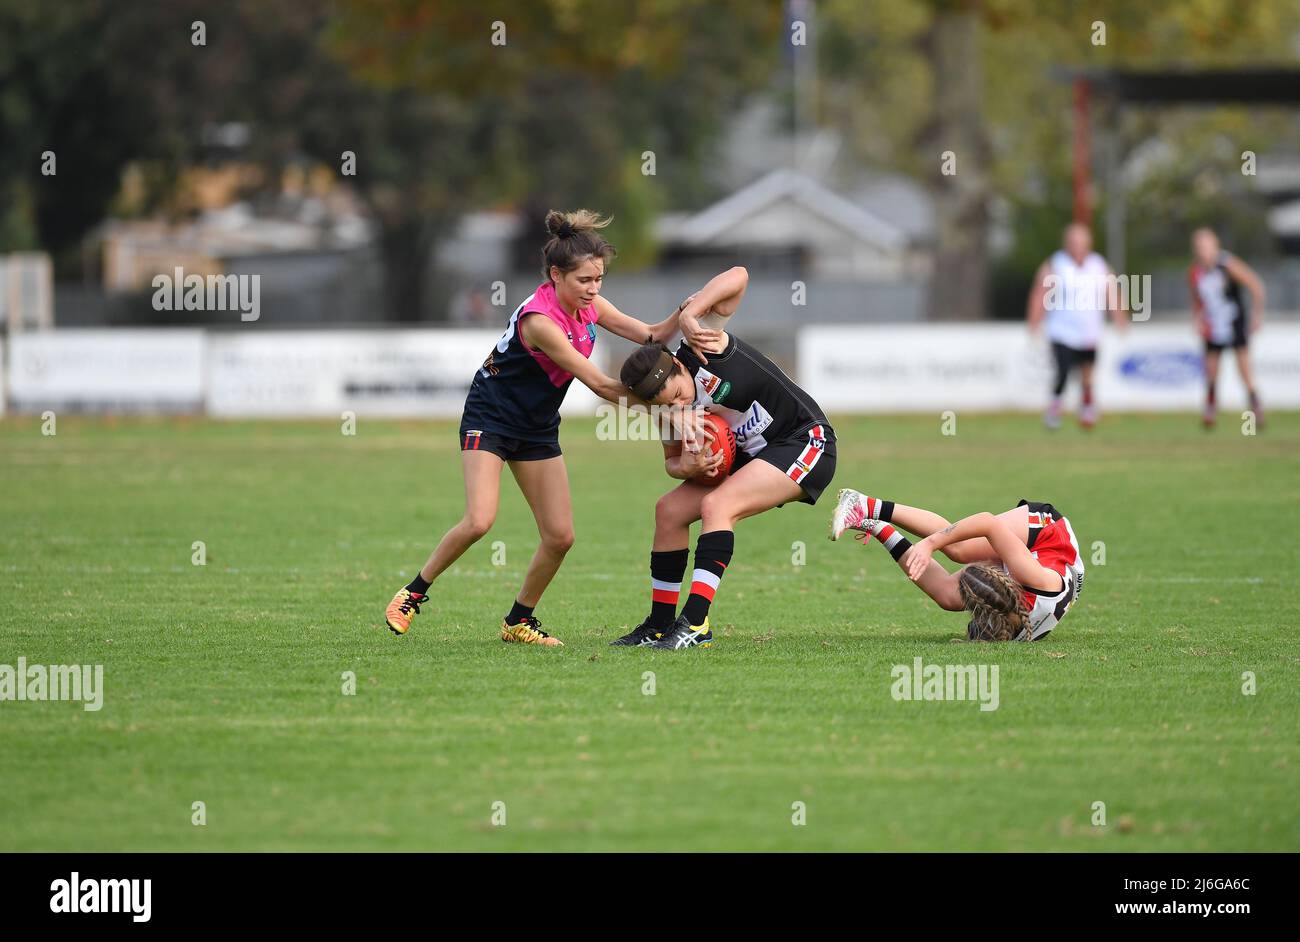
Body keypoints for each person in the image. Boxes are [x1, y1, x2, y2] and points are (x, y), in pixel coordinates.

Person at [383, 210, 720, 645]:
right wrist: (664, 411)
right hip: (491, 417)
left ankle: (519, 620)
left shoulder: (590, 306)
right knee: (480, 519)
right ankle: (412, 593)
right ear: (556, 275)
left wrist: (687, 310)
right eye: (584, 281)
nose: (594, 289)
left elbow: (653, 335)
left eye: (598, 279)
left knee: (560, 536)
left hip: (538, 427)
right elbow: (599, 383)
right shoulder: (540, 322)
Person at [610, 266, 836, 650]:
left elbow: (740, 276)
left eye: (679, 395)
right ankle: (661, 625)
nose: (678, 405)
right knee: (668, 511)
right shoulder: (665, 410)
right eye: (665, 406)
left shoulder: (703, 345)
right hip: (753, 460)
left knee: (718, 505)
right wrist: (690, 467)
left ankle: (696, 624)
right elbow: (671, 464)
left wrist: (689, 314)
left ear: (678, 366)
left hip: (805, 441)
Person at [829, 489, 1083, 641]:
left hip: (1041, 568)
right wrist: (931, 543)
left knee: (949, 597)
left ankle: (877, 527)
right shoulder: (1036, 579)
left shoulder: (1008, 625)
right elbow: (987, 522)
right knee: (958, 549)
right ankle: (863, 504)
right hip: (1047, 533)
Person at [1026, 223, 1127, 429]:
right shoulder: (1056, 264)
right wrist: (1034, 321)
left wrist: (1120, 318)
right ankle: (1055, 409)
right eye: (1073, 242)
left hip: (1089, 330)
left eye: (1081, 242)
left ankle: (1087, 408)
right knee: (1062, 372)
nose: (1077, 246)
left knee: (1087, 373)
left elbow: (1112, 293)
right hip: (1062, 330)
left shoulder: (1099, 265)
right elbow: (1040, 293)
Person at [1189, 227, 1266, 428]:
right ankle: (1210, 412)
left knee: (1244, 370)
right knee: (1211, 371)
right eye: (1199, 247)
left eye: (1206, 246)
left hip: (1234, 323)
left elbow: (1256, 285)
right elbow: (1197, 299)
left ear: (1215, 246)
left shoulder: (1228, 265)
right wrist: (1196, 319)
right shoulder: (1195, 272)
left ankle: (1253, 413)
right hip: (1212, 325)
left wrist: (1257, 315)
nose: (1203, 250)